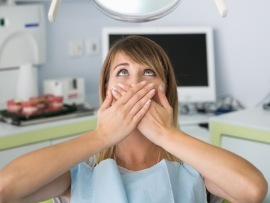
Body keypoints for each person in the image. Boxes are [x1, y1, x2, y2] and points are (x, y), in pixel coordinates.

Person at [0, 36, 267, 203]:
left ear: (165, 90)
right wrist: (102, 136)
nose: (135, 83)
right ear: (106, 89)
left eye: (148, 72)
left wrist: (166, 134)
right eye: (123, 72)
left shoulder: (194, 172)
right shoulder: (80, 174)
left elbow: (252, 191)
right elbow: (6, 189)